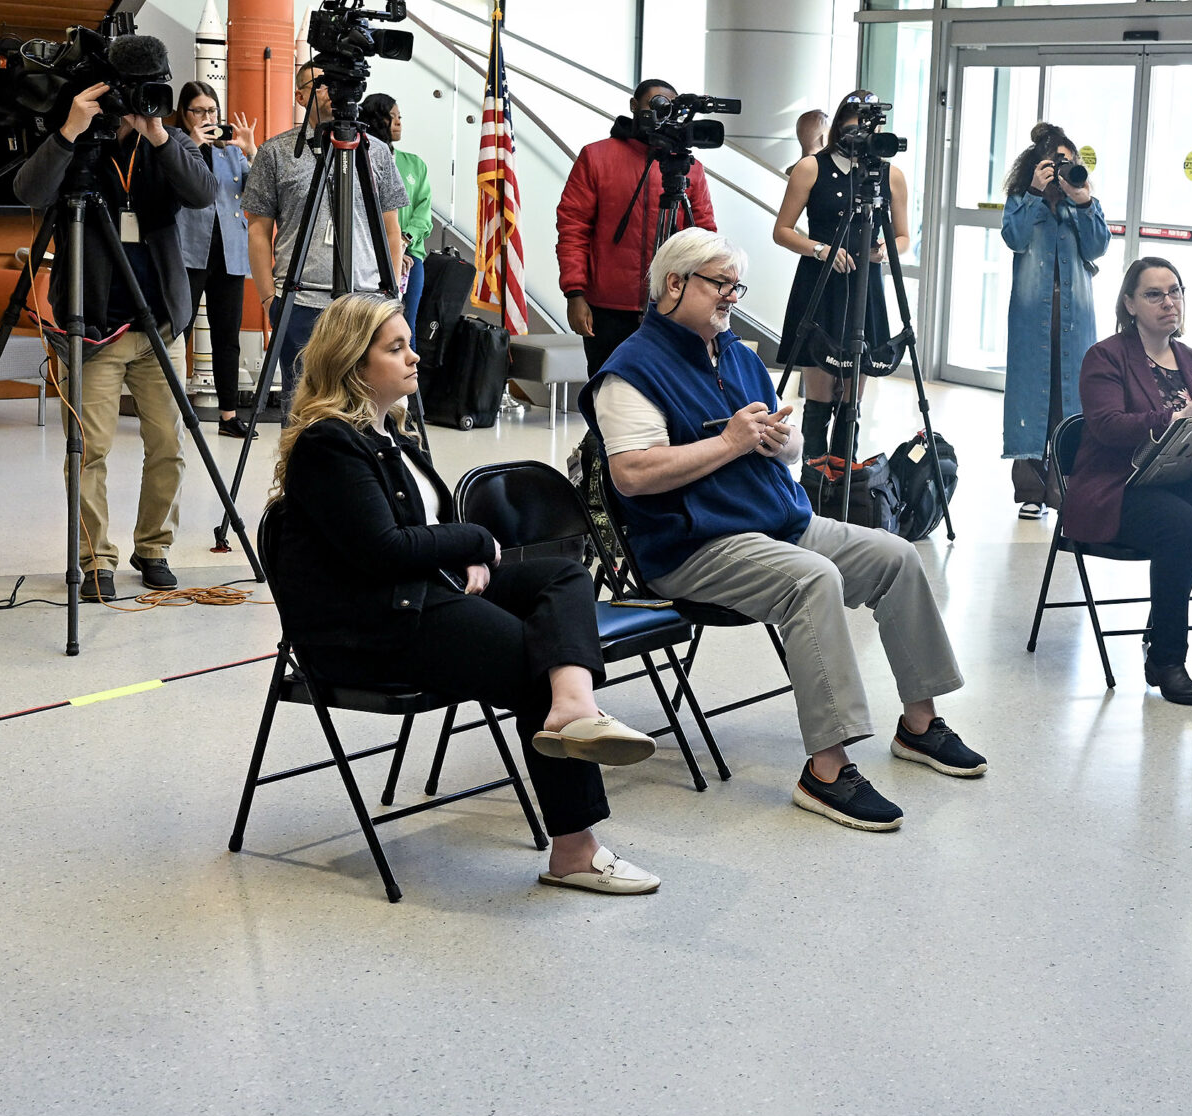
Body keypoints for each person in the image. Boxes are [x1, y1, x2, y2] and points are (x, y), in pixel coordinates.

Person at [589, 227, 982, 830]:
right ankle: (826, 772)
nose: (731, 297)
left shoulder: (738, 353)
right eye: (719, 284)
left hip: (777, 521)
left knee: (897, 556)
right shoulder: (630, 371)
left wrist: (783, 442)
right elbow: (634, 475)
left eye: (735, 286)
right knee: (812, 581)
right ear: (673, 284)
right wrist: (728, 442)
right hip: (696, 545)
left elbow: (783, 444)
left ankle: (919, 725)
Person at [270, 294, 661, 894]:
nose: (415, 356)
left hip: (419, 595)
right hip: (372, 627)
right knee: (538, 661)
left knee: (563, 576)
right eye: (395, 348)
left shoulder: (387, 432)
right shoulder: (330, 443)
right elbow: (384, 550)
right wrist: (473, 541)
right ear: (353, 363)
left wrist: (459, 554)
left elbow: (416, 533)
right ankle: (575, 851)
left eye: (408, 343)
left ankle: (574, 706)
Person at [18, 82, 217, 600]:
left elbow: (202, 193)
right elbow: (29, 191)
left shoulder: (168, 143)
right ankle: (94, 558)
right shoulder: (80, 144)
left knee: (170, 446)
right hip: (94, 326)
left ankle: (153, 547)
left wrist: (157, 134)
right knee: (89, 451)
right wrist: (70, 130)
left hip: (160, 328)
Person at [1060, 257, 1192, 706]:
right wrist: (1177, 417)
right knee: (1181, 524)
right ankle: (1166, 659)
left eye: (1175, 291)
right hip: (1117, 485)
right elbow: (1108, 426)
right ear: (1129, 303)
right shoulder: (1104, 357)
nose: (1169, 301)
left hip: (1179, 478)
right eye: (1154, 294)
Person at [243, 64, 407, 400]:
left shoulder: (374, 151)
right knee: (303, 402)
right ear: (300, 96)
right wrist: (268, 298)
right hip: (300, 301)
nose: (331, 91)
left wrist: (392, 296)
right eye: (320, 84)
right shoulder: (276, 153)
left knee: (366, 401)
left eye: (337, 81)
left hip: (367, 302)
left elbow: (392, 228)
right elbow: (258, 231)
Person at [771, 93, 910, 462]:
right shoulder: (810, 168)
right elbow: (782, 230)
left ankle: (845, 478)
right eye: (853, 128)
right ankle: (814, 482)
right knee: (817, 399)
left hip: (866, 287)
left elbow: (903, 237)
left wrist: (883, 250)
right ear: (839, 127)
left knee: (852, 400)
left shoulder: (889, 173)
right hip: (819, 285)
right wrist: (822, 250)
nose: (861, 137)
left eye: (871, 129)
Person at [557, 78, 717, 375]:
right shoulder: (596, 156)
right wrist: (575, 294)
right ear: (634, 106)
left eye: (669, 109)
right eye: (654, 106)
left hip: (671, 304)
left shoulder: (689, 168)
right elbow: (572, 229)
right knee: (605, 394)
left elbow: (704, 234)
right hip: (606, 307)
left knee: (664, 394)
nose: (660, 116)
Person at [1002, 124, 1109, 515]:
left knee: (1071, 402)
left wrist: (1083, 201)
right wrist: (1032, 192)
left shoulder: (1083, 203)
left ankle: (1063, 489)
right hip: (1033, 319)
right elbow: (1013, 238)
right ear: (1037, 165)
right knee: (1030, 399)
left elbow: (1098, 247)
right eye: (1056, 163)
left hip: (1075, 320)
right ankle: (1031, 491)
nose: (1064, 169)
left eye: (1070, 162)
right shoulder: (1021, 199)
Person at [172, 82, 254, 438]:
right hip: (190, 250)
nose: (207, 118)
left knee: (227, 336)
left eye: (212, 111)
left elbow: (260, 195)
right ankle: (171, 410)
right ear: (184, 113)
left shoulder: (231, 150)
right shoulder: (176, 145)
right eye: (199, 111)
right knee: (179, 331)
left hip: (229, 253)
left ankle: (228, 415)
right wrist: (193, 143)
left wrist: (252, 152)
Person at [366, 91, 433, 255]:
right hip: (369, 250)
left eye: (399, 118)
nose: (398, 123)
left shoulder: (415, 165)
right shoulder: (358, 162)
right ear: (374, 120)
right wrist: (389, 246)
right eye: (391, 117)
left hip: (410, 249)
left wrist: (404, 239)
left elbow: (423, 212)